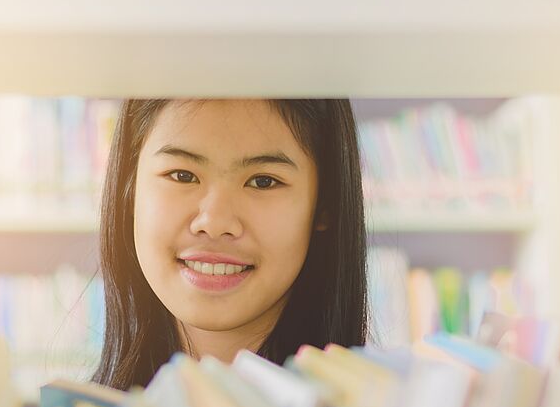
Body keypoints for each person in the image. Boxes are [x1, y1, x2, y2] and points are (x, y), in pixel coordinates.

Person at [90, 99, 369, 391]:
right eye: (182, 175)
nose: (214, 222)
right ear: (128, 190)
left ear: (324, 205)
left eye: (263, 181)